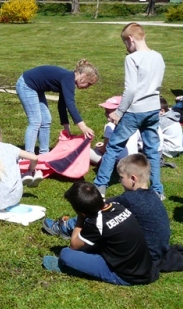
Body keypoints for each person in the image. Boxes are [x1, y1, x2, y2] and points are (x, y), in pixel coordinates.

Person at [43, 154, 171, 262]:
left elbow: (97, 206)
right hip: (159, 250)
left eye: (121, 177)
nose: (120, 181)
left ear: (133, 179)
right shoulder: (153, 195)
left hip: (142, 255)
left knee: (97, 212)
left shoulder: (129, 199)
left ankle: (65, 227)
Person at [94, 23, 165, 199]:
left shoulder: (132, 59)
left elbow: (131, 90)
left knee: (113, 148)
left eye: (126, 44)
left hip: (135, 110)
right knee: (152, 150)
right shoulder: (158, 56)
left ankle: (100, 185)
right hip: (153, 108)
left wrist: (118, 112)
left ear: (130, 39)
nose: (127, 48)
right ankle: (157, 190)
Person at [42, 181, 158, 285]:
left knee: (66, 254)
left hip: (126, 275)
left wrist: (80, 218)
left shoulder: (97, 223)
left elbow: (74, 245)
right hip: (146, 267)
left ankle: (79, 269)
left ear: (82, 212)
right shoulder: (118, 207)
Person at [16, 60, 99, 155]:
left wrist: (66, 128)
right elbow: (70, 105)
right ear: (83, 77)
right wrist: (83, 127)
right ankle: (28, 155)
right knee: (35, 121)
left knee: (46, 119)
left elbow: (62, 105)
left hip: (36, 88)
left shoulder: (68, 80)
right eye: (89, 84)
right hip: (27, 85)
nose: (87, 87)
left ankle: (44, 153)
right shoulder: (68, 78)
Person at [90, 95, 140, 165]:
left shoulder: (109, 126)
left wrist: (98, 149)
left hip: (119, 163)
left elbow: (104, 150)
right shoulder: (133, 125)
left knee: (88, 152)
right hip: (134, 161)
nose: (105, 114)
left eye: (108, 111)